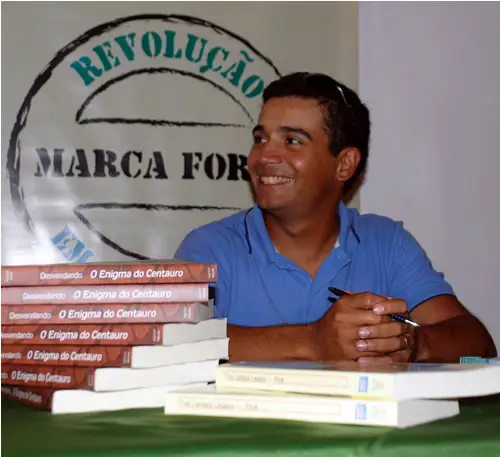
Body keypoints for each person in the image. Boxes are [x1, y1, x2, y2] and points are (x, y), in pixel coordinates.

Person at [175, 72, 496, 364]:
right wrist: (313, 341)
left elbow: (478, 344)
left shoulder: (386, 243)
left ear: (344, 165)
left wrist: (410, 343)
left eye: (292, 141)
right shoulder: (210, 248)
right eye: (260, 139)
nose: (264, 157)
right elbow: (174, 346)